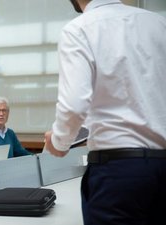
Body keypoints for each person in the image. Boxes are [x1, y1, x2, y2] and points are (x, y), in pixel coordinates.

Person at [44, 1, 166, 224]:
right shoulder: (159, 24)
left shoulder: (80, 29)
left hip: (118, 173)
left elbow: (74, 105)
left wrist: (59, 142)